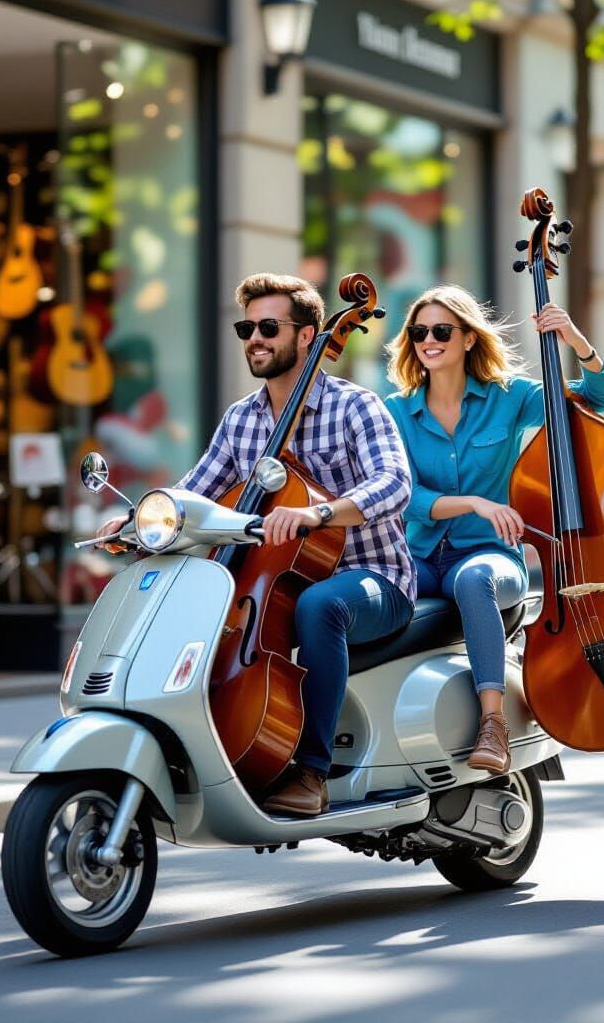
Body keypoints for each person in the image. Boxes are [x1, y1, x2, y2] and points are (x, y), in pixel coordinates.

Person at [97, 273, 415, 817]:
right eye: (247, 327)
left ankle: (313, 770)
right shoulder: (241, 419)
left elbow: (394, 483)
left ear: (309, 335)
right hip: (272, 582)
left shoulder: (354, 406)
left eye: (269, 327)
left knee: (320, 606)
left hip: (374, 576)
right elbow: (193, 492)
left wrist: (317, 512)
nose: (254, 338)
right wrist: (136, 524)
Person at [385, 286, 604, 775]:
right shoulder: (398, 411)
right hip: (421, 555)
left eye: (442, 330)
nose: (429, 340)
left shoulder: (509, 397)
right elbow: (407, 496)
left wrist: (575, 340)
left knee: (474, 581)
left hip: (488, 556)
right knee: (365, 588)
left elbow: (599, 398)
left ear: (468, 338)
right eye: (419, 331)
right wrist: (474, 502)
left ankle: (494, 725)